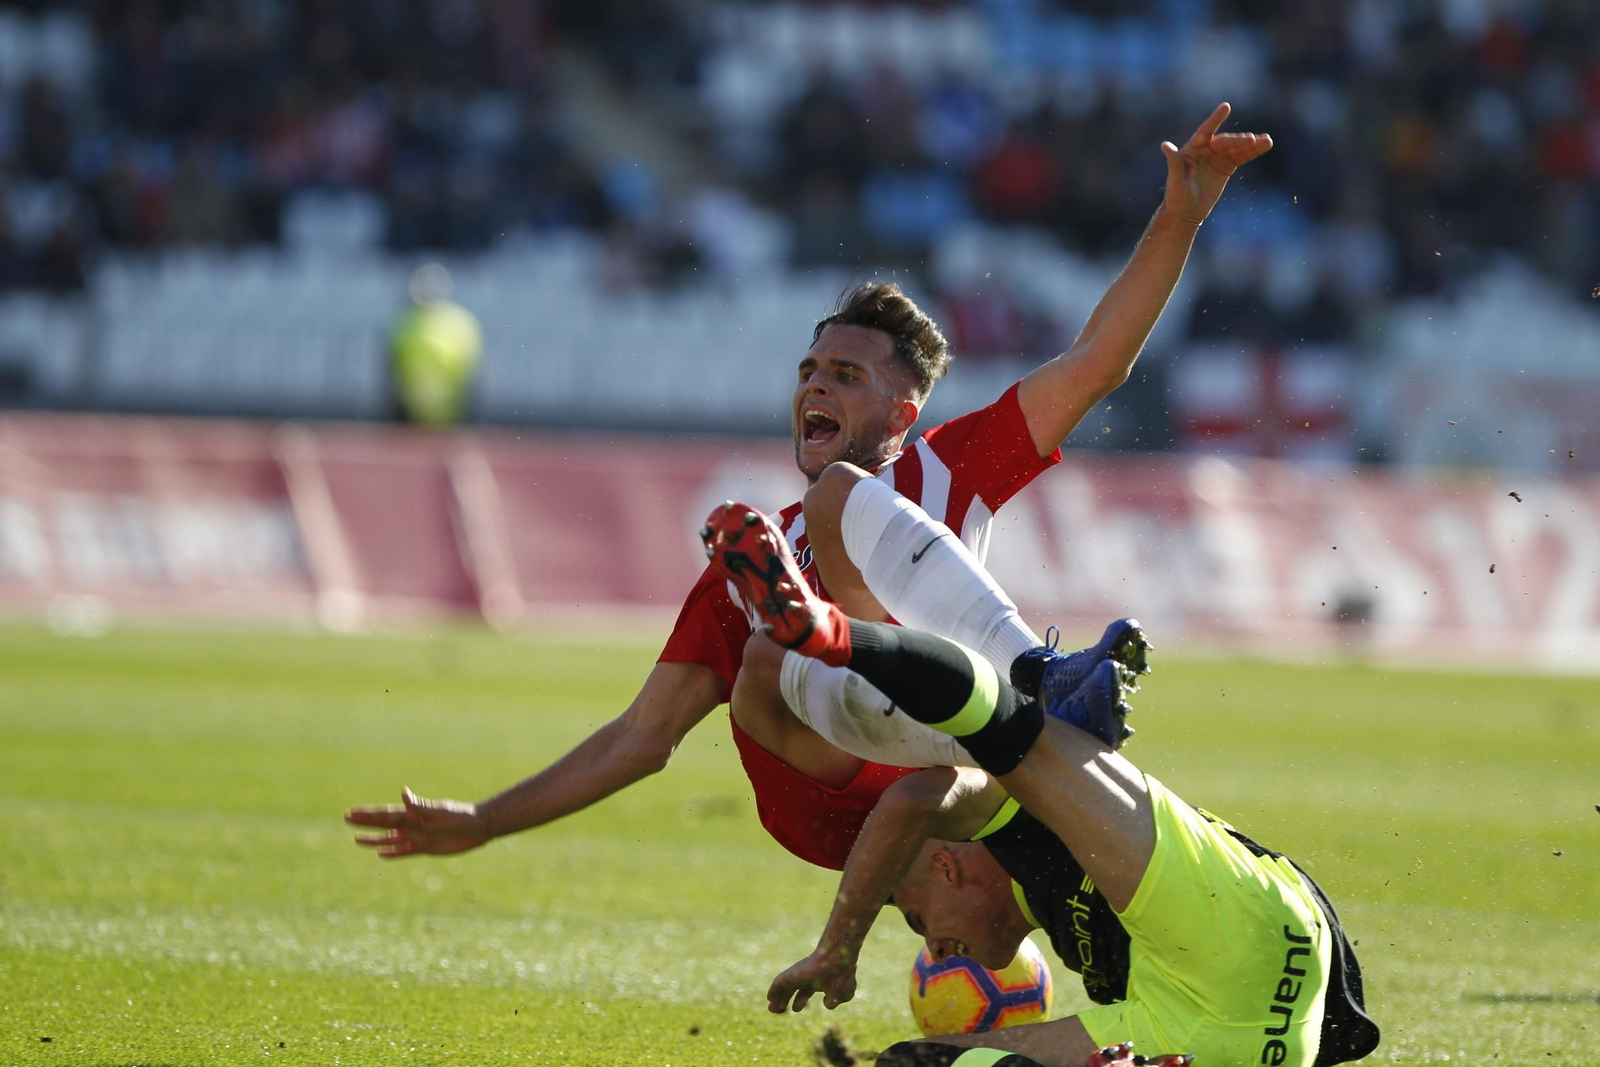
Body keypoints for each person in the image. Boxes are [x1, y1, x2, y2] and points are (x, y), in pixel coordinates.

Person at [345, 104, 1273, 874]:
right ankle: (1029, 698)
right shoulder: (756, 559)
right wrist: (485, 820)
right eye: (811, 368)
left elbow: (1096, 362)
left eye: (848, 375)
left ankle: (1047, 769)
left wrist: (1180, 218)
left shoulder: (942, 467)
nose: (816, 385)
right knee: (762, 653)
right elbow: (642, 736)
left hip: (942, 775)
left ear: (905, 416)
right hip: (840, 796)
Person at [701, 502, 1380, 1067]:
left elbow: (913, 796)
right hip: (1213, 1029)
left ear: (945, 862)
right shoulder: (1046, 886)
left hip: (1233, 943)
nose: (931, 949)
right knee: (912, 1061)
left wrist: (837, 946)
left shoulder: (1008, 821)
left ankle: (838, 635)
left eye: (915, 917)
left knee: (1004, 733)